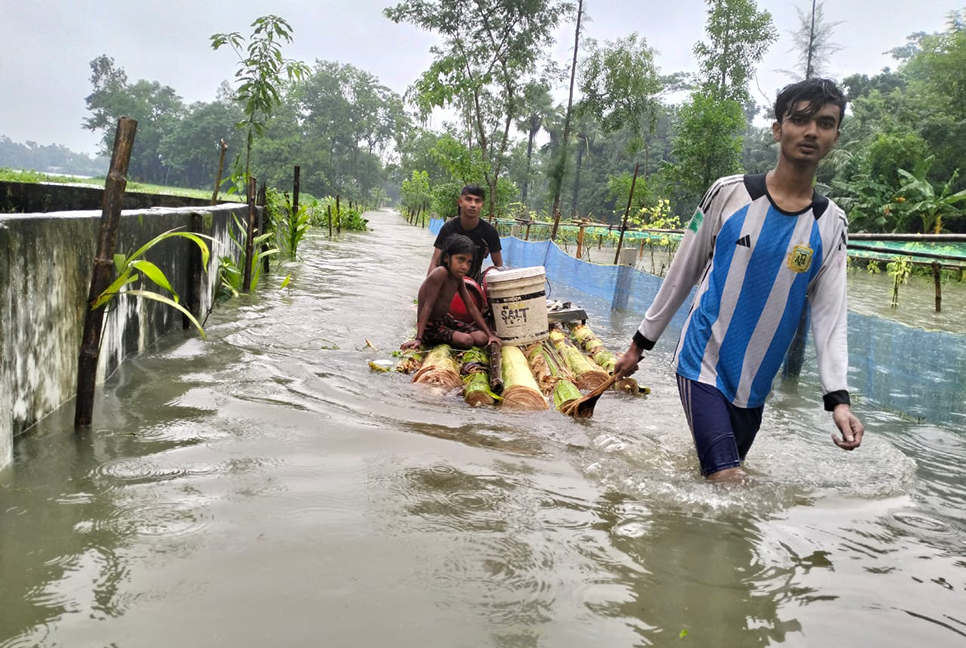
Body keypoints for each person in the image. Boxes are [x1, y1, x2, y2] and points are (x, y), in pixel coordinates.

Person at [614, 78, 865, 482]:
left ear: (835, 136)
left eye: (824, 122)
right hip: (702, 363)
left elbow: (831, 317)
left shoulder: (831, 223)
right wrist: (638, 345)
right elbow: (683, 272)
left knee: (716, 481)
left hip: (754, 387)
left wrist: (838, 400)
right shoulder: (728, 194)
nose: (811, 131)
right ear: (778, 128)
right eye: (799, 119)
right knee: (728, 480)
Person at [403, 234, 501, 351]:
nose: (464, 266)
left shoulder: (457, 278)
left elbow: (471, 307)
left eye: (468, 262)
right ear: (446, 258)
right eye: (460, 260)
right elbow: (428, 306)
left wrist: (490, 335)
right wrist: (418, 338)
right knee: (467, 341)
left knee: (482, 338)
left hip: (445, 320)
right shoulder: (440, 273)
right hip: (430, 327)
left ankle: (456, 336)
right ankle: (434, 338)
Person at [429, 184, 504, 283]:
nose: (473, 204)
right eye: (468, 199)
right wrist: (429, 285)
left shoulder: (489, 232)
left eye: (477, 201)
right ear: (460, 202)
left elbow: (498, 266)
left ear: (482, 204)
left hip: (473, 284)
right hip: (446, 282)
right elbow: (435, 262)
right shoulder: (449, 228)